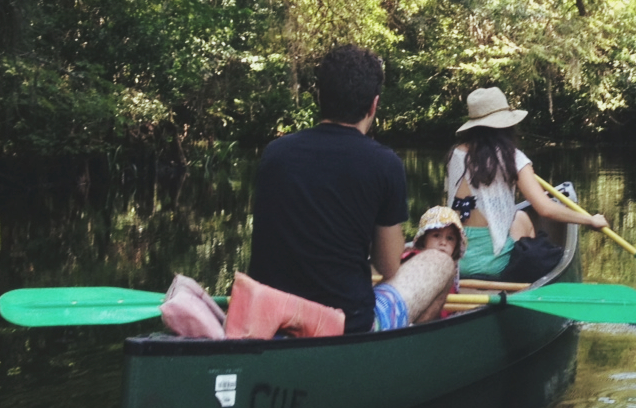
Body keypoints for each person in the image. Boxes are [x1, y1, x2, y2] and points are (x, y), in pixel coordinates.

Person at [248, 44, 454, 333]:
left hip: (270, 322)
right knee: (440, 262)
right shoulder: (385, 164)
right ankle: (398, 354)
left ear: (320, 97)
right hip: (346, 326)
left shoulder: (274, 153)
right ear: (374, 105)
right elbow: (389, 267)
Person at [446, 86, 609, 280]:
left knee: (516, 216)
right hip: (493, 265)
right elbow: (545, 209)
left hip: (456, 259)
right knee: (522, 218)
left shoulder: (454, 155)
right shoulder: (512, 158)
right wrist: (590, 220)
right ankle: (526, 280)